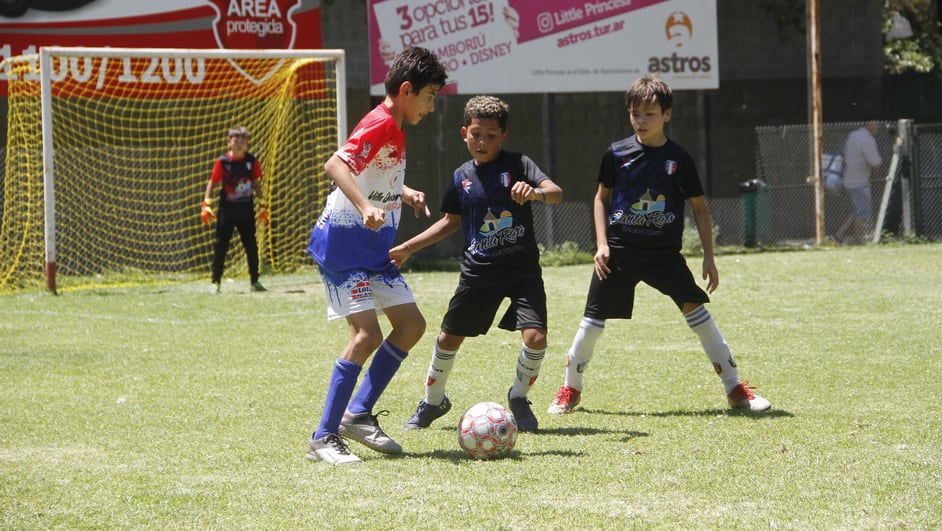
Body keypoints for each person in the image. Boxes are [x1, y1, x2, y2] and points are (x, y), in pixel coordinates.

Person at [546, 75, 772, 416]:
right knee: (592, 323)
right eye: (635, 114)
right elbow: (600, 198)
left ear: (666, 114)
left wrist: (709, 256)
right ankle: (569, 390)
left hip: (664, 255)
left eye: (649, 114)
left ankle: (736, 390)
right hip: (619, 252)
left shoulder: (679, 159)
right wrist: (602, 244)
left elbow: (699, 207)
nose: (641, 120)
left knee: (698, 312)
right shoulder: (616, 153)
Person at [304, 46, 448, 465]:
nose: (432, 105)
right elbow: (336, 165)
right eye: (430, 96)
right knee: (366, 335)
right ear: (407, 89)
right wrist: (367, 208)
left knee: (411, 325)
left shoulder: (396, 127)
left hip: (374, 251)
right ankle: (323, 436)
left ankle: (359, 413)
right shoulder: (381, 121)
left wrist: (403, 191)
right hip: (344, 248)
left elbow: (372, 173)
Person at [390, 95, 564, 433]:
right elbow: (450, 222)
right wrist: (408, 248)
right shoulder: (461, 177)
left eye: (491, 135)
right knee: (447, 340)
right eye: (476, 134)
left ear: (504, 137)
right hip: (479, 273)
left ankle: (518, 397)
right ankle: (432, 400)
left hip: (522, 271)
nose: (482, 142)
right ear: (464, 133)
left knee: (536, 337)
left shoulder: (520, 165)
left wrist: (535, 193)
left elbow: (556, 192)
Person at [201, 126, 269, 294]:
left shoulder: (252, 161)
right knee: (221, 246)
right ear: (229, 142)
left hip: (246, 211)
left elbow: (256, 183)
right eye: (235, 141)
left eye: (242, 142)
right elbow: (212, 182)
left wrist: (262, 204)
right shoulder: (223, 162)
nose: (239, 145)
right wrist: (206, 203)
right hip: (227, 211)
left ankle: (255, 281)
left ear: (247, 144)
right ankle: (215, 282)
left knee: (251, 246)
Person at [834, 121, 882, 245]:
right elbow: (876, 165)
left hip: (849, 180)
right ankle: (857, 241)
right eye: (876, 123)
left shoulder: (853, 135)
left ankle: (838, 236)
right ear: (868, 124)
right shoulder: (867, 139)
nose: (878, 126)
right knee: (863, 212)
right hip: (859, 182)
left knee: (858, 210)